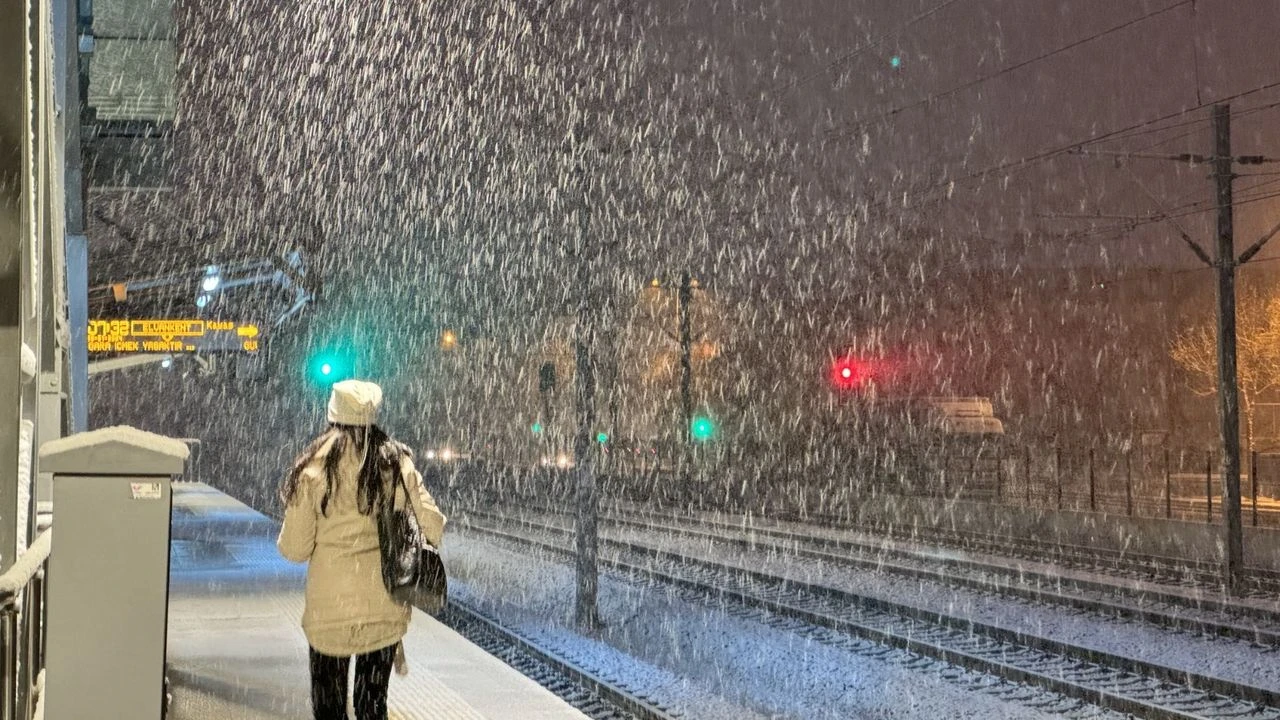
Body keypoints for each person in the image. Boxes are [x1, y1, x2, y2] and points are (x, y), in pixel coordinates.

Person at [277, 379, 446, 720]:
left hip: (329, 614)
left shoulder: (313, 471)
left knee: (329, 710)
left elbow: (294, 550)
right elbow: (434, 526)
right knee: (372, 707)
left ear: (332, 416)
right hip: (382, 606)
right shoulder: (396, 464)